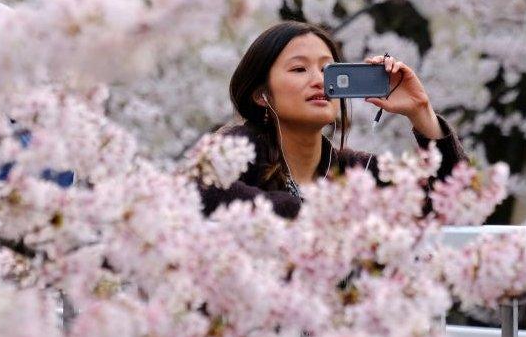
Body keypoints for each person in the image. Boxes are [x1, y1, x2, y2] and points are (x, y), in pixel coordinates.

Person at [200, 21, 469, 219]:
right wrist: (309, 212)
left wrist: (421, 112)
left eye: (328, 69)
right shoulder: (239, 150)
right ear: (261, 94)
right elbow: (201, 187)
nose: (320, 81)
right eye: (299, 69)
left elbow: (454, 201)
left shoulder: (357, 171)